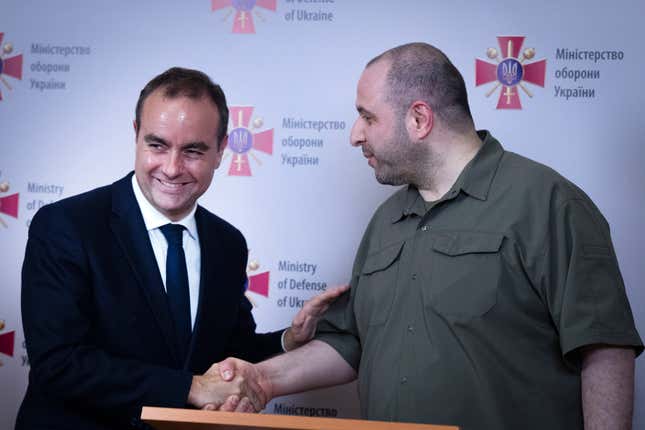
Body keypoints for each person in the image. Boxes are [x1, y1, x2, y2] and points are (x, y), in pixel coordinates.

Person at [214, 43, 643, 430]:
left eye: (367, 116)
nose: (354, 134)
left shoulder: (548, 202)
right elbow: (351, 343)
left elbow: (604, 349)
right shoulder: (386, 221)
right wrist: (264, 379)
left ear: (419, 118)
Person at [16, 67, 347, 430]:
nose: (172, 168)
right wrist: (189, 387)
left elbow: (226, 354)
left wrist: (290, 339)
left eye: (192, 150)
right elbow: (59, 363)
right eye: (157, 145)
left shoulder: (227, 243)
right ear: (136, 135)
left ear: (221, 150)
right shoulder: (66, 225)